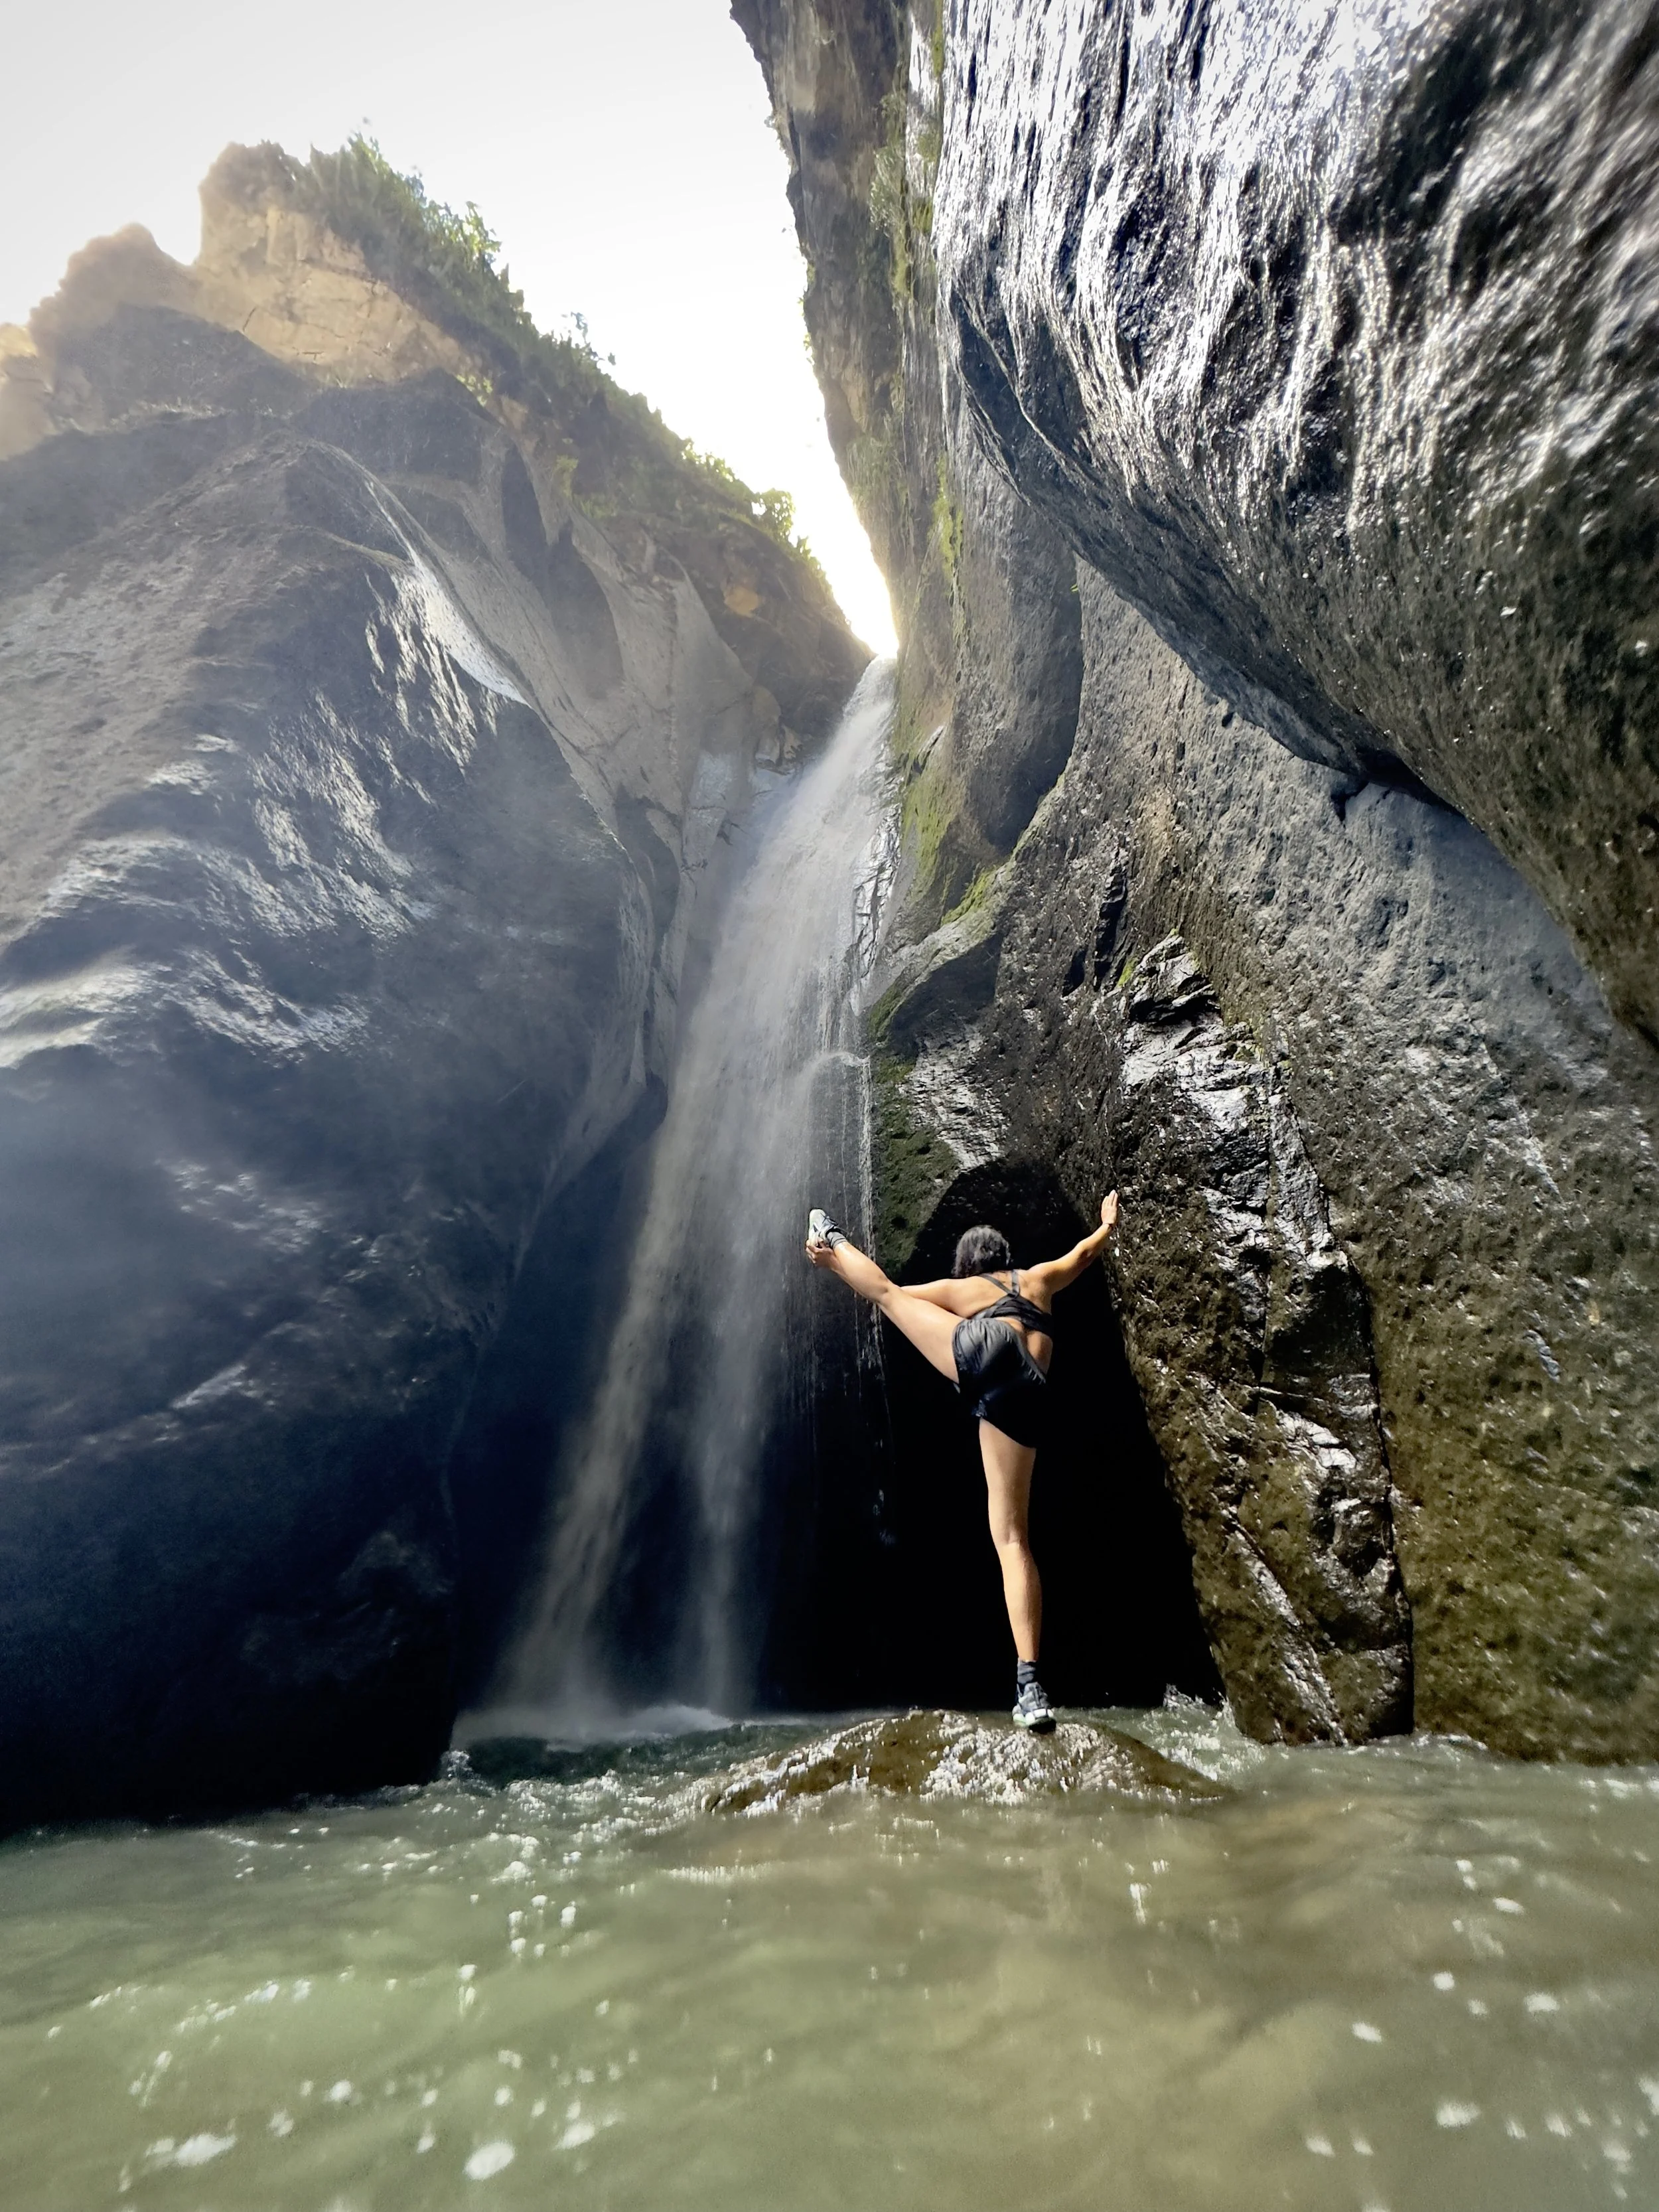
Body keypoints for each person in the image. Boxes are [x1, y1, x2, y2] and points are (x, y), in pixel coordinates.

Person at [804, 1193, 1121, 1731]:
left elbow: (893, 1291)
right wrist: (1107, 1224)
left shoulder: (963, 1288)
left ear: (969, 1263)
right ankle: (1030, 1685)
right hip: (1030, 1388)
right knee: (1015, 1539)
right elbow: (1086, 1255)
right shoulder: (1039, 1278)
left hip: (984, 1351)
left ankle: (830, 1238)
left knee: (885, 1294)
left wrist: (838, 1266)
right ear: (1005, 1256)